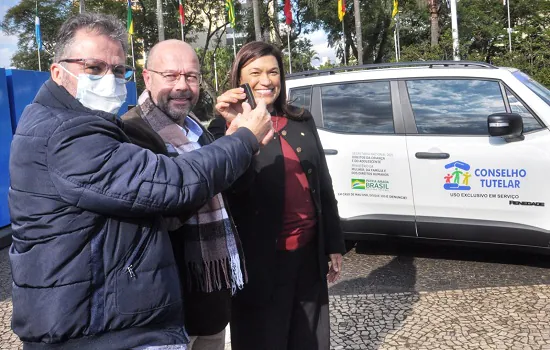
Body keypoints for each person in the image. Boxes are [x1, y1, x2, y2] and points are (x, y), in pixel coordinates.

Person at [8, 14, 272, 350]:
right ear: (58, 72)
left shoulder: (87, 124)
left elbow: (212, 182)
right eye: (94, 68)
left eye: (118, 71)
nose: (109, 78)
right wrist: (244, 139)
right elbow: (172, 185)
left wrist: (228, 139)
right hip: (98, 328)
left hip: (122, 316)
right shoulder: (76, 133)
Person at [210, 41, 346, 350]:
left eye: (273, 72)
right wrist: (237, 126)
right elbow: (230, 188)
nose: (266, 80)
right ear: (239, 78)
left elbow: (322, 184)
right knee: (264, 338)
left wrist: (334, 244)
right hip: (259, 261)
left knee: (308, 338)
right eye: (255, 72)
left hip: (308, 257)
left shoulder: (300, 119)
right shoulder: (224, 126)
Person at [121, 39, 247, 350]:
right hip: (166, 309)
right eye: (171, 76)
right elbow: (166, 210)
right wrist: (232, 148)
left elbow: (224, 190)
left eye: (191, 76)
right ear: (147, 77)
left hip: (210, 302)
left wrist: (226, 136)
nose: (183, 86)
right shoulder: (130, 132)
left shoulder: (196, 129)